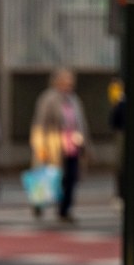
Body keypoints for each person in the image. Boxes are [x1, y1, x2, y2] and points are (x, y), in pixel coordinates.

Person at [30, 68, 88, 222]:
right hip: (54, 144)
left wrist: (84, 144)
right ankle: (39, 202)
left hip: (72, 144)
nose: (68, 84)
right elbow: (40, 123)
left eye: (70, 81)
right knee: (49, 175)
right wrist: (41, 145)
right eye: (65, 81)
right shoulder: (48, 99)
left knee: (71, 178)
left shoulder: (73, 99)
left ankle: (65, 209)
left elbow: (80, 123)